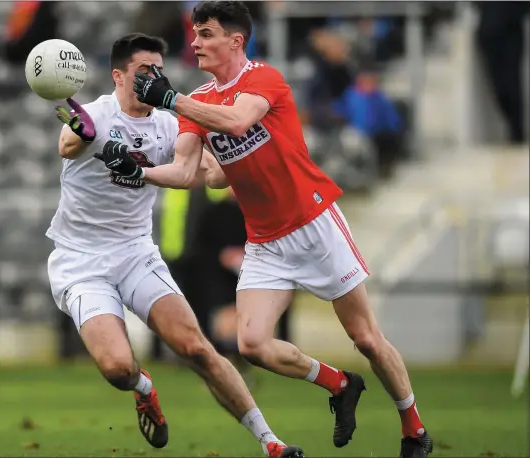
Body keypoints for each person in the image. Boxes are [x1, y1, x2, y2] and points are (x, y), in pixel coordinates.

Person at [91, 4, 433, 458]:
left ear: (236, 41)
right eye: (194, 33)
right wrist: (138, 170)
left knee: (366, 338)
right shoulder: (199, 100)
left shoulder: (262, 78)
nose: (195, 43)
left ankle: (414, 430)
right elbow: (187, 172)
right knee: (252, 344)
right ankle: (340, 383)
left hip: (314, 223)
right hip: (266, 240)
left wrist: (171, 101)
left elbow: (237, 122)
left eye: (206, 34)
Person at [46, 32, 303, 458]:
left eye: (160, 70)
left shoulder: (170, 123)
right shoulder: (93, 115)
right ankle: (143, 386)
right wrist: (89, 134)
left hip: (135, 253)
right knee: (117, 368)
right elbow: (68, 143)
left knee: (197, 348)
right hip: (80, 261)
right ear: (118, 76)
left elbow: (211, 172)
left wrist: (245, 164)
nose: (155, 78)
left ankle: (270, 443)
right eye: (145, 71)